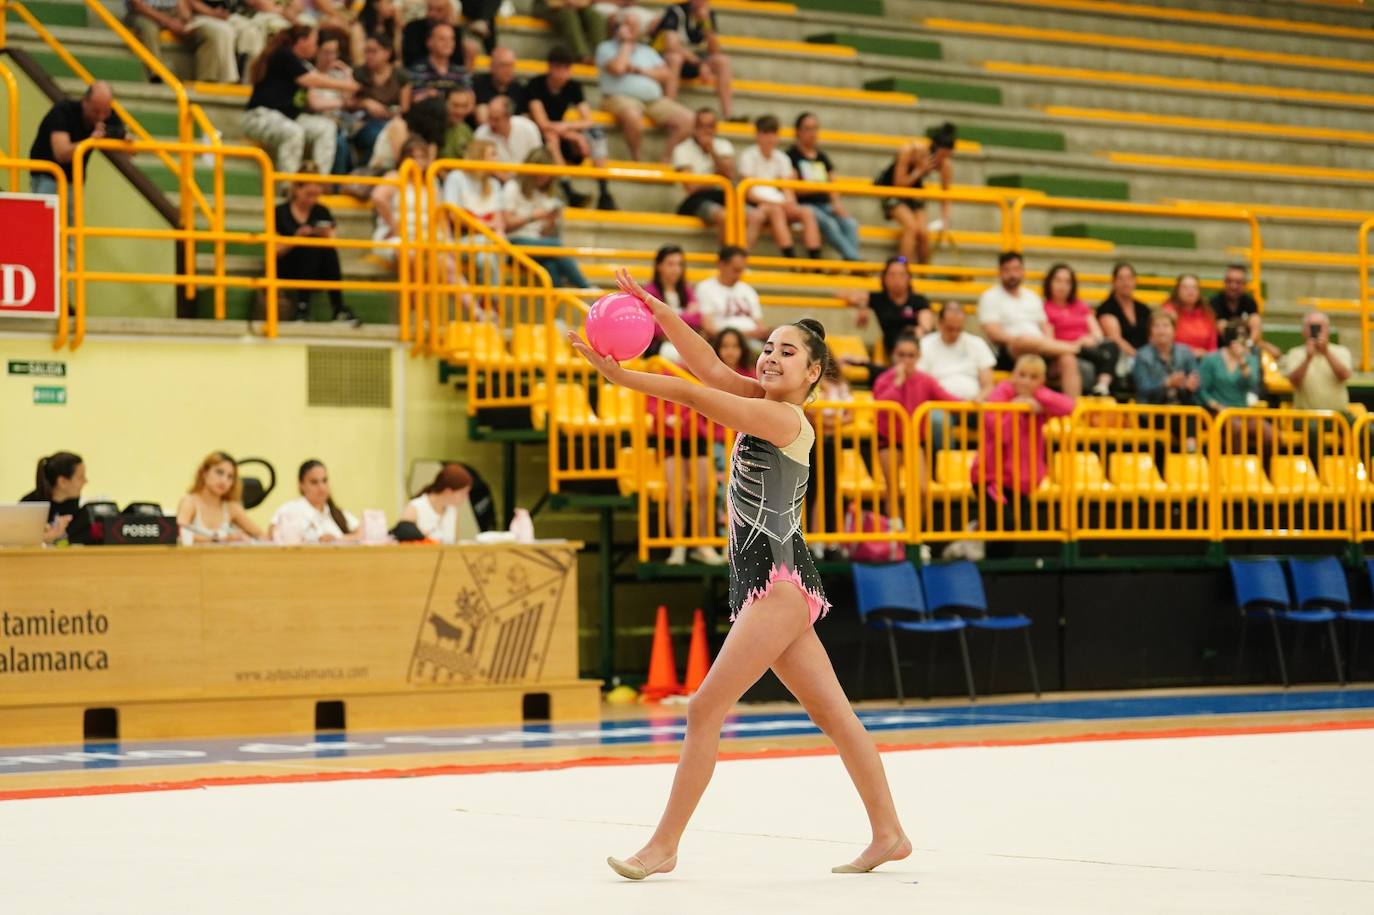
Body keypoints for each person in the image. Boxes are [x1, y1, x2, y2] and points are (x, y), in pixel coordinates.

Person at [570, 268, 910, 881]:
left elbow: (702, 396)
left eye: (788, 352)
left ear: (813, 374)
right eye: (769, 347)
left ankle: (663, 845)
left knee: (704, 709)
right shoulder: (761, 401)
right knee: (834, 715)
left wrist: (623, 377)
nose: (771, 357)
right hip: (776, 581)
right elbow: (710, 371)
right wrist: (657, 309)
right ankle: (889, 833)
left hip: (778, 584)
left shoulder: (787, 422)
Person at [242, 26, 359, 175]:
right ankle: (289, 188)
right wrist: (349, 86)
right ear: (303, 41)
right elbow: (310, 80)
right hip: (259, 116)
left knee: (326, 128)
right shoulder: (284, 55)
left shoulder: (301, 64)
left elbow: (313, 98)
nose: (316, 47)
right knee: (293, 132)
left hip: (288, 117)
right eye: (314, 42)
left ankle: (317, 183)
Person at [523, 44, 616, 209]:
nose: (565, 72)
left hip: (560, 133)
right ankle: (567, 190)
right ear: (551, 67)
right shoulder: (536, 85)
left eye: (567, 68)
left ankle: (604, 192)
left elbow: (588, 120)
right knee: (552, 137)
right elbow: (542, 123)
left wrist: (569, 130)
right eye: (561, 68)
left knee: (596, 133)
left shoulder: (573, 86)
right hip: (538, 135)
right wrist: (573, 135)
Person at [874, 330, 958, 507]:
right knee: (893, 490)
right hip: (888, 440)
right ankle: (895, 532)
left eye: (911, 355)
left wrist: (975, 404)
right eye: (901, 355)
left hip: (914, 441)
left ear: (918, 356)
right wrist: (897, 383)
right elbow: (881, 406)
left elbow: (948, 399)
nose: (906, 360)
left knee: (922, 490)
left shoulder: (925, 380)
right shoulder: (884, 379)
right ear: (893, 356)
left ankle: (915, 532)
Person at [595, 12, 691, 162]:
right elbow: (619, 68)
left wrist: (638, 70)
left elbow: (666, 74)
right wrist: (626, 44)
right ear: (619, 27)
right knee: (633, 115)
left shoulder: (647, 51)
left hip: (653, 100)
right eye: (628, 25)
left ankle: (666, 158)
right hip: (618, 97)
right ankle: (636, 158)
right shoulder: (606, 48)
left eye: (635, 26)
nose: (633, 29)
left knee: (688, 119)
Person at [978, 252, 1082, 388]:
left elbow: (1045, 326)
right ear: (1000, 272)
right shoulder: (990, 296)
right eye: (1007, 270)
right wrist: (1021, 340)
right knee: (1023, 339)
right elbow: (993, 332)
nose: (1012, 274)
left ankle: (1071, 407)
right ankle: (1077, 348)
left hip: (1040, 347)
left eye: (1016, 269)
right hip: (1010, 350)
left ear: (1022, 271)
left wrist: (1046, 344)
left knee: (1068, 359)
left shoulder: (1032, 297)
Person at [275, 169, 358, 323]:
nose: (312, 200)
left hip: (317, 268)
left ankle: (338, 308)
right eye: (308, 194)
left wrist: (326, 234)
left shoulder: (322, 211)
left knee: (323, 247)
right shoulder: (280, 212)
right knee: (309, 245)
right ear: (296, 189)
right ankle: (302, 307)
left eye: (316, 195)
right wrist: (297, 238)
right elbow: (275, 251)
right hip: (287, 265)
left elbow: (334, 244)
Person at [503, 147, 590, 288]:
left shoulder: (546, 194)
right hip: (514, 242)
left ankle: (558, 305)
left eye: (547, 174)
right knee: (556, 247)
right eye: (539, 173)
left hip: (536, 242)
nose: (543, 178)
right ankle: (587, 288)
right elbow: (506, 224)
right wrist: (532, 216)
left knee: (551, 268)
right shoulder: (512, 187)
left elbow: (542, 233)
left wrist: (550, 221)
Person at [737, 115, 821, 259]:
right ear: (757, 135)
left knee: (807, 212)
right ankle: (790, 257)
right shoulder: (748, 156)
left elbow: (787, 188)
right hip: (756, 203)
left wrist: (790, 202)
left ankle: (815, 259)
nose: (770, 138)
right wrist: (776, 203)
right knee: (775, 211)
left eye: (773, 134)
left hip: (778, 202)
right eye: (766, 133)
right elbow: (748, 193)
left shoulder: (782, 159)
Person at [874, 123, 955, 265]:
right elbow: (898, 183)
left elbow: (946, 194)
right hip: (892, 192)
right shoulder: (909, 151)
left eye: (946, 157)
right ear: (934, 149)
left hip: (914, 194)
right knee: (911, 227)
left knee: (923, 232)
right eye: (941, 157)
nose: (941, 162)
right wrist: (919, 171)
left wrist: (945, 219)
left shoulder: (945, 163)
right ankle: (903, 265)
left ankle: (924, 271)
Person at [28, 83, 122, 205]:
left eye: (105, 111)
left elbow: (131, 149)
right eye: (96, 111)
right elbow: (61, 154)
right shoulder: (63, 112)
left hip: (74, 180)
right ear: (85, 102)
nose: (101, 117)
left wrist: (119, 136)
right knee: (46, 221)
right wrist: (91, 139)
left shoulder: (107, 116)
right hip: (47, 175)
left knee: (71, 222)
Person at [787, 112, 859, 262]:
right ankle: (854, 259)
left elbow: (832, 183)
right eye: (808, 129)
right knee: (829, 223)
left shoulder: (822, 157)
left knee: (850, 223)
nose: (812, 133)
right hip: (806, 204)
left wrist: (836, 203)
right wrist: (818, 187)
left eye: (815, 129)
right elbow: (792, 188)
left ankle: (852, 260)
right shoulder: (791, 156)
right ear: (798, 131)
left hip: (825, 204)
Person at [651, 0, 738, 121]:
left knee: (723, 61)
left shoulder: (708, 15)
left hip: (694, 61)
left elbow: (715, 50)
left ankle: (728, 114)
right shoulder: (675, 11)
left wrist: (706, 23)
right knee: (675, 58)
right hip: (665, 60)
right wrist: (701, 63)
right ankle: (668, 108)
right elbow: (671, 45)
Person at [1042, 262, 1117, 397]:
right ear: (1049, 283)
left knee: (1112, 345)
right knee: (1104, 358)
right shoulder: (1045, 309)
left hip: (1088, 347)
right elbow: (1050, 342)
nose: (1062, 286)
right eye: (1058, 281)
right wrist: (1076, 344)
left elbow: (1097, 333)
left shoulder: (1080, 305)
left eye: (1067, 282)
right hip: (1068, 349)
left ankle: (1102, 385)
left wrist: (1087, 340)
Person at [840, 256, 933, 358]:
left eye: (901, 275)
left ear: (908, 278)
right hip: (893, 354)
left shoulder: (918, 300)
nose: (897, 279)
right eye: (892, 275)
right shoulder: (879, 299)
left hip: (917, 351)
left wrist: (920, 332)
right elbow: (842, 293)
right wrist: (862, 304)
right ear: (884, 278)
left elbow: (926, 326)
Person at [1201, 323, 1272, 455]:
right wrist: (1215, 405)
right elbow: (1202, 389)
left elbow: (1251, 383)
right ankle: (1235, 468)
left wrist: (1242, 361)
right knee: (1236, 427)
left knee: (1270, 434)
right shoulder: (1211, 359)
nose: (1239, 339)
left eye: (1243, 336)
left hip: (1242, 411)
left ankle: (1266, 472)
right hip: (1217, 412)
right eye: (1236, 335)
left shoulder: (1250, 359)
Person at [126, 0, 238, 83]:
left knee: (209, 34)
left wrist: (185, 18)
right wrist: (168, 22)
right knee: (149, 28)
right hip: (143, 14)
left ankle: (206, 79)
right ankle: (156, 73)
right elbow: (138, 6)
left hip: (172, 12)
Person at [671, 108, 736, 242]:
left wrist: (711, 150)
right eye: (702, 126)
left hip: (721, 196)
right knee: (724, 216)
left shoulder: (724, 146)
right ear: (694, 128)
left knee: (754, 215)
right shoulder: (682, 149)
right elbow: (691, 188)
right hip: (694, 201)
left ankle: (741, 257)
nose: (707, 130)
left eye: (711, 126)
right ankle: (727, 259)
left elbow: (729, 175)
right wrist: (718, 179)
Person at [350, 31, 411, 170]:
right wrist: (365, 103)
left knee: (399, 131)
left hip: (392, 122)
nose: (368, 56)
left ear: (387, 53)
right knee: (375, 134)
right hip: (364, 123)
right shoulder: (358, 73)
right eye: (366, 51)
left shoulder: (401, 76)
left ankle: (397, 171)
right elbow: (348, 103)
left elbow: (405, 109)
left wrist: (387, 113)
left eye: (373, 51)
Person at [176, 451, 265, 543]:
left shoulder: (231, 507)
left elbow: (262, 535)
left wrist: (247, 540)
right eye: (219, 472)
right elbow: (178, 535)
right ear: (204, 473)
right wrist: (218, 539)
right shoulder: (190, 502)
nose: (224, 480)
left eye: (230, 477)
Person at [918, 301, 995, 403]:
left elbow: (988, 385)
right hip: (938, 405)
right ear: (940, 323)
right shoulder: (925, 344)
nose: (954, 333)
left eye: (959, 329)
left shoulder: (977, 344)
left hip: (972, 406)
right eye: (950, 329)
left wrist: (979, 398)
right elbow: (921, 382)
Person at [269, 459, 361, 542]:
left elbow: (364, 534)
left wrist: (337, 539)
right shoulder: (288, 510)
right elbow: (270, 539)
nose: (321, 487)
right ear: (301, 485)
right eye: (314, 482)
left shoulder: (339, 513)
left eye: (324, 481)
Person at [1281, 311, 1352, 414]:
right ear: (1304, 331)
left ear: (1327, 329)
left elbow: (1344, 375)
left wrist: (1326, 353)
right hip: (1306, 416)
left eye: (1319, 327)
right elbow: (1294, 381)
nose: (1314, 331)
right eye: (1311, 327)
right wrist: (1307, 359)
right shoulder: (1294, 353)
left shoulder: (1341, 351)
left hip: (1338, 416)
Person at [695, 245, 765, 341]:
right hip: (723, 342)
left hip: (752, 340)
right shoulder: (705, 288)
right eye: (736, 269)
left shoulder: (748, 290)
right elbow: (708, 327)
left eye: (742, 270)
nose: (739, 274)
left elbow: (760, 325)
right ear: (721, 265)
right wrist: (743, 335)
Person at [1132, 312, 1200, 406]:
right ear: (1150, 332)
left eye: (1166, 326)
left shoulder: (1185, 352)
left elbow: (1196, 377)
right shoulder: (1142, 355)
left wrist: (1191, 383)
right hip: (1152, 412)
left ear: (1174, 331)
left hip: (1184, 409)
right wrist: (1167, 383)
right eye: (1156, 326)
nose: (1161, 331)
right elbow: (1142, 388)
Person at [645, 244, 700, 357]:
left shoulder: (687, 290)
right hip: (659, 346)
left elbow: (697, 319)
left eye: (679, 264)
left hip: (685, 342)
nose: (676, 269)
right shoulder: (649, 292)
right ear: (659, 266)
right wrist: (685, 316)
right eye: (670, 264)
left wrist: (666, 318)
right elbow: (652, 327)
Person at [21, 451, 86, 544]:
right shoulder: (29, 506)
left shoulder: (76, 506)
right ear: (62, 482)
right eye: (80, 477)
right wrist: (45, 539)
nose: (85, 481)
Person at [399, 462, 472, 543]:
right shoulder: (414, 508)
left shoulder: (453, 510)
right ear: (448, 491)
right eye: (463, 493)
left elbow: (455, 544)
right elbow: (403, 541)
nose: (466, 497)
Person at [1096, 262, 1152, 362]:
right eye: (1121, 279)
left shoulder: (1143, 309)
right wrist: (1140, 358)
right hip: (1121, 359)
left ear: (1135, 281)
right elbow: (1115, 339)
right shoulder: (1106, 308)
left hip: (1146, 356)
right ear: (1114, 282)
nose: (1126, 283)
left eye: (1129, 278)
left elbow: (1151, 336)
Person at [408, 22, 469, 105]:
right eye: (442, 39)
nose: (448, 43)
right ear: (429, 42)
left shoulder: (460, 71)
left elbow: (469, 100)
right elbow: (415, 100)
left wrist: (434, 95)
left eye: (451, 39)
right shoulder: (417, 70)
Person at [473, 95, 543, 167]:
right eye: (489, 118)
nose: (491, 123)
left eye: (496, 119)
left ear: (508, 116)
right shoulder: (481, 134)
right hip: (494, 177)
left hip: (527, 175)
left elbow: (538, 158)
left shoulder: (528, 128)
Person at [401, 0, 471, 70]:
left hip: (450, 73)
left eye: (439, 10)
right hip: (419, 71)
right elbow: (410, 59)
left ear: (448, 11)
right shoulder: (413, 28)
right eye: (430, 9)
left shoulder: (454, 30)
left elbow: (458, 60)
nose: (432, 14)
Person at [533, 0, 606, 64]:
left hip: (574, 7)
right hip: (547, 6)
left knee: (596, 17)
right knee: (569, 15)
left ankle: (601, 55)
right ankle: (582, 56)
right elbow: (552, 4)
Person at [1162, 273, 1217, 357]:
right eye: (1185, 287)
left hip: (1203, 361)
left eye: (1194, 287)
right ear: (1177, 291)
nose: (1190, 291)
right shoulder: (1167, 312)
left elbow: (1212, 347)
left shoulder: (1208, 314)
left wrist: (1208, 357)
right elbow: (1162, 344)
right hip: (1175, 361)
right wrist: (1190, 353)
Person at [472, 46, 526, 123]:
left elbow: (524, 119)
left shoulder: (519, 89)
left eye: (511, 65)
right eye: (503, 65)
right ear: (492, 66)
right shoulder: (478, 84)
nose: (508, 70)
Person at [351, 0, 401, 65]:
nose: (393, 7)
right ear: (375, 4)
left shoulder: (392, 26)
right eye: (389, 2)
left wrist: (398, 26)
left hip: (390, 70)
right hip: (367, 71)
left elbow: (397, 57)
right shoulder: (359, 28)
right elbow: (359, 61)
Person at [438, 86, 476, 159]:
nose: (460, 111)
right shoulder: (432, 127)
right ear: (444, 103)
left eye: (464, 106)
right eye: (455, 105)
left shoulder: (466, 130)